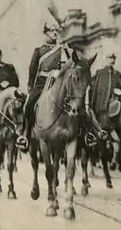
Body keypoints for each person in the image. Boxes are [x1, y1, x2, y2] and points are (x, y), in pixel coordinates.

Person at [17, 21, 74, 151]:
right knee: (29, 105)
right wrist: (31, 88)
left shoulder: (63, 49)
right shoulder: (39, 50)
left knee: (75, 104)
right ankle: (25, 134)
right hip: (42, 84)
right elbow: (32, 70)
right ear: (46, 33)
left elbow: (71, 64)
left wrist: (67, 51)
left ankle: (82, 134)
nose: (54, 33)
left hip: (58, 84)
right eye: (51, 31)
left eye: (56, 31)